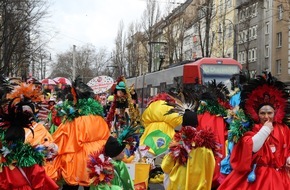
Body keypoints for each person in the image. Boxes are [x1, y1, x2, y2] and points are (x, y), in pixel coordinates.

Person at [218, 74, 290, 190]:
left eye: (269, 113)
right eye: (262, 113)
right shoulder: (251, 127)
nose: (266, 116)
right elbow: (250, 146)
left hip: (279, 178)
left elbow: (287, 148)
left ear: (275, 113)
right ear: (257, 113)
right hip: (256, 177)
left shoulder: (283, 129)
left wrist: (287, 159)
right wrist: (265, 130)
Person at [45, 77, 110, 190]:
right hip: (95, 160)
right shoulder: (99, 118)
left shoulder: (74, 120)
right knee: (90, 186)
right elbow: (106, 137)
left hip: (77, 163)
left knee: (71, 186)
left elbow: (63, 139)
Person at [160, 90, 218, 190]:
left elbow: (166, 167)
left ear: (183, 125)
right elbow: (211, 167)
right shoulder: (206, 144)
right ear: (197, 124)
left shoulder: (178, 142)